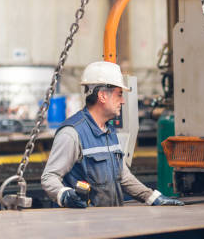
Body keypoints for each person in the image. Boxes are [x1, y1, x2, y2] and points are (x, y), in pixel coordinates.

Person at [41, 61, 183, 208]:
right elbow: (49, 177)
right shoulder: (72, 134)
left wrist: (152, 197)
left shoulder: (110, 132)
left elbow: (123, 176)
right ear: (102, 96)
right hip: (83, 226)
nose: (122, 101)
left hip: (110, 222)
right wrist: (64, 194)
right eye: (119, 95)